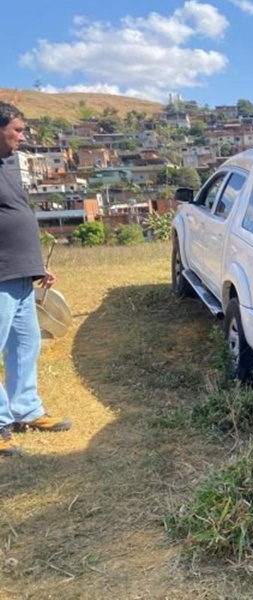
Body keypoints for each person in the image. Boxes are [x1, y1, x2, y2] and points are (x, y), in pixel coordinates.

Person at [0, 101, 72, 457]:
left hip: (20, 274)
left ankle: (25, 410)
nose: (22, 136)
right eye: (16, 130)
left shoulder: (7, 165)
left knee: (26, 345)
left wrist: (35, 265)